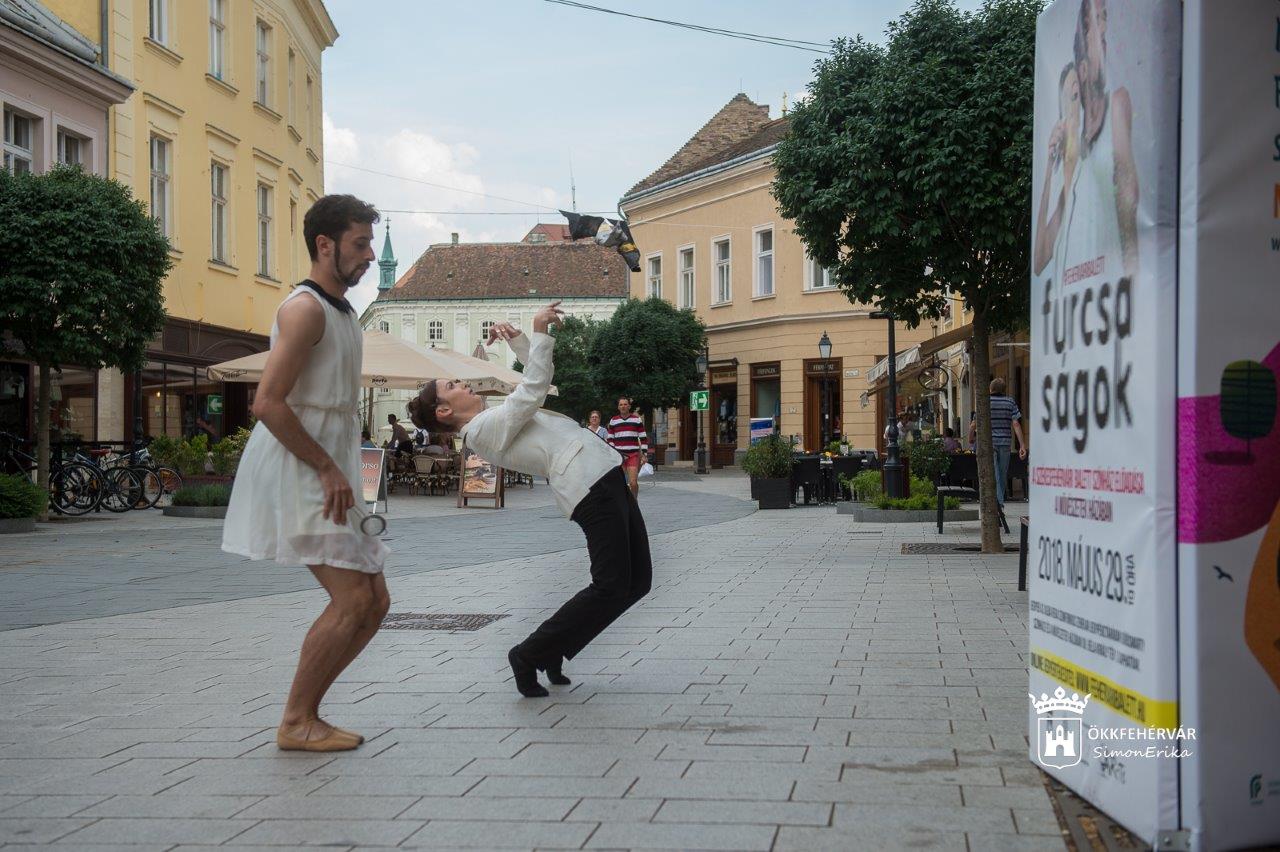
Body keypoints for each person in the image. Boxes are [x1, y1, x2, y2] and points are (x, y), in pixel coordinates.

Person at [408, 302, 650, 698]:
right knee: (610, 585)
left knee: (636, 582)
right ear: (445, 409)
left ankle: (554, 649)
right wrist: (538, 331)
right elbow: (532, 389)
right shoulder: (481, 431)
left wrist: (521, 340)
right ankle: (528, 654)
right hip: (588, 487)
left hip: (603, 475)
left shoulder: (495, 416)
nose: (464, 382)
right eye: (453, 385)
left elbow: (539, 383)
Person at [221, 194, 389, 752]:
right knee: (353, 601)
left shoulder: (341, 311)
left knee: (376, 602)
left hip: (332, 464)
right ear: (325, 245)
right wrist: (325, 468)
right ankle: (296, 721)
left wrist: (353, 472)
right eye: (359, 244)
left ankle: (307, 715)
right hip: (303, 469)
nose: (368, 256)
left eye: (369, 243)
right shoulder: (306, 309)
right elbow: (267, 403)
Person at [987, 377, 1028, 507]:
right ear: (1004, 389)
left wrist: (971, 436)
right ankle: (999, 503)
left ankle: (998, 504)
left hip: (990, 443)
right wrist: (1022, 445)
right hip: (1005, 443)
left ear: (990, 388)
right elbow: (1016, 424)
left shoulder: (985, 401)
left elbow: (974, 423)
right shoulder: (1010, 402)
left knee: (995, 474)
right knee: (1002, 473)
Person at [607, 398, 648, 498]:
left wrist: (644, 454)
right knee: (620, 483)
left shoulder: (636, 419)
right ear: (618, 407)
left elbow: (643, 438)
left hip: (632, 455)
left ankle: (634, 501)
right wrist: (615, 452)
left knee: (633, 483)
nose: (623, 406)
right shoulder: (613, 420)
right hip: (619, 456)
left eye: (625, 404)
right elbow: (610, 439)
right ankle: (623, 503)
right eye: (621, 405)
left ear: (629, 406)